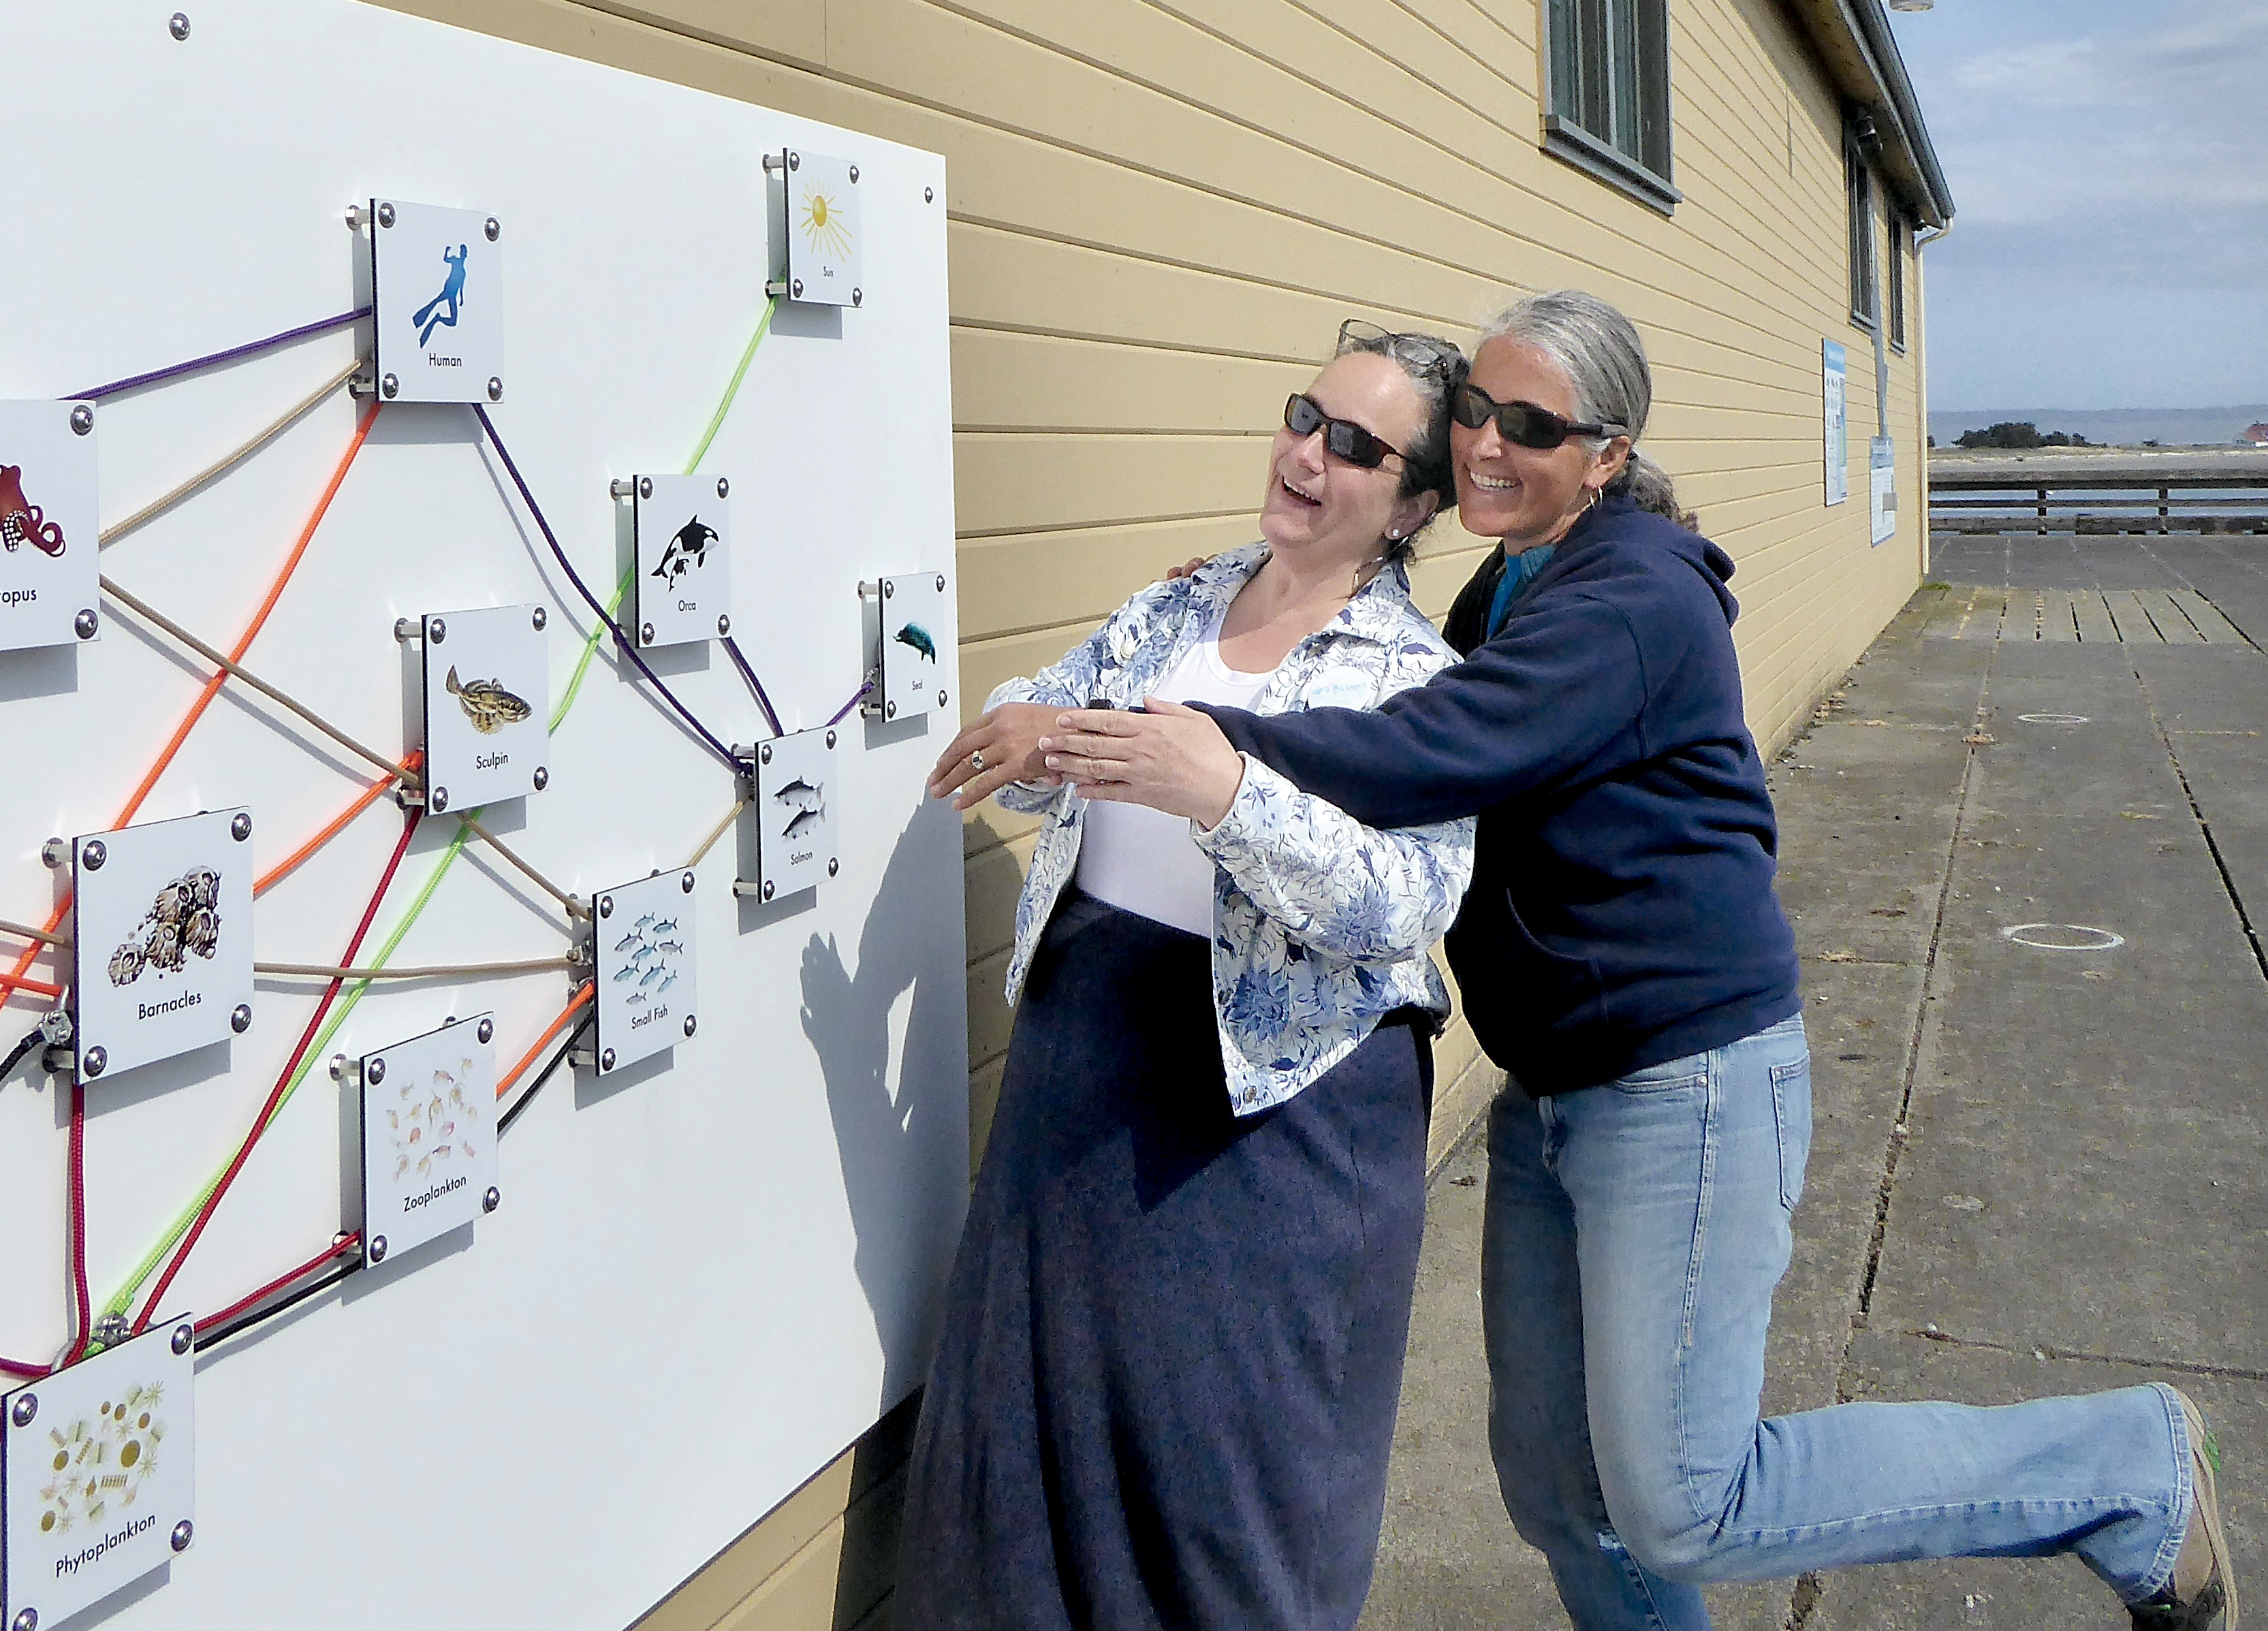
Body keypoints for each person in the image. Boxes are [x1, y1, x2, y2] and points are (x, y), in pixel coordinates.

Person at [1029, 291, 2235, 1631]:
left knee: (1683, 1499)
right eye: (1475, 411)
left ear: (1604, 454)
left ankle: (2122, 1466)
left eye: (1531, 425)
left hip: (1688, 1084)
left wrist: (1210, 745)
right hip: (1555, 1090)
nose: (1486, 443)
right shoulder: (1508, 581)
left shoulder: (1636, 591)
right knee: (1559, 1486)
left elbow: (1448, 743)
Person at [899, 325, 1479, 1630]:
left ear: (1413, 506)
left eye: (1354, 446)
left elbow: (1406, 901)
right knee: (1030, 1457)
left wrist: (1225, 794)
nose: (1305, 456)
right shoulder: (1179, 604)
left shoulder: (1413, 682)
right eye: (1302, 416)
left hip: (1266, 1139)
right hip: (1079, 1080)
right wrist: (1040, 727)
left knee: (1220, 1489)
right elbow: (1037, 711)